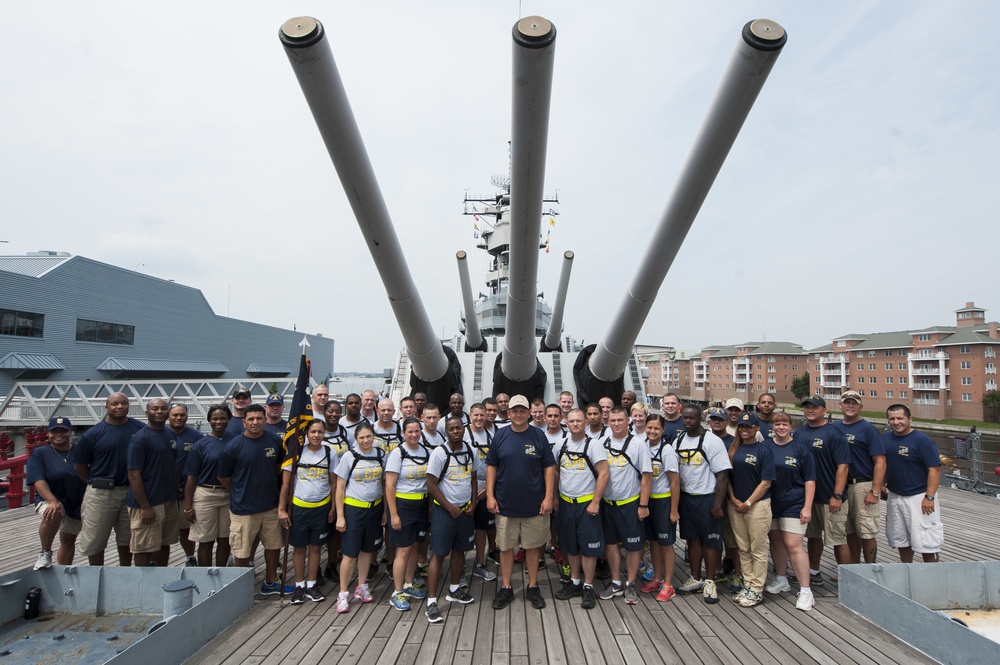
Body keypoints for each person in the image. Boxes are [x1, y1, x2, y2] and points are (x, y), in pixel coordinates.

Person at [486, 394, 556, 611]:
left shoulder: (538, 436)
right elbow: (491, 466)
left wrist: (548, 497)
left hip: (534, 505)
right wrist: (489, 495)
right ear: (508, 413)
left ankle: (533, 586)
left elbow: (549, 467)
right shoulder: (500, 436)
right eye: (514, 411)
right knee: (505, 547)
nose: (518, 414)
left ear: (529, 413)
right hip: (505, 504)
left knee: (533, 548)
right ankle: (506, 587)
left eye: (522, 410)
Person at [217, 404, 290, 595]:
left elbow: (279, 467)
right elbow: (224, 477)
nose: (255, 422)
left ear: (265, 420)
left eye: (259, 418)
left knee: (274, 546)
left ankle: (271, 581)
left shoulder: (274, 440)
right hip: (243, 509)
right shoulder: (232, 447)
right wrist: (240, 489)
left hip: (270, 506)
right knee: (242, 551)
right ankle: (241, 588)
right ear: (244, 422)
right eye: (251, 419)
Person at [73, 392, 143, 566]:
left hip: (131, 492)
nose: (120, 407)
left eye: (124, 403)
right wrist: (93, 483)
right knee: (95, 539)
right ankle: (96, 574)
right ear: (106, 407)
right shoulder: (93, 434)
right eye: (115, 404)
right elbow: (80, 466)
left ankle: (124, 572)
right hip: (101, 493)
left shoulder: (140, 429)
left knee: (127, 539)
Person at [423, 416, 478, 623]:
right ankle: (431, 601)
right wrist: (449, 507)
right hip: (445, 512)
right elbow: (431, 484)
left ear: (464, 429)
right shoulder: (439, 453)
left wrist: (473, 503)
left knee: (460, 550)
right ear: (446, 432)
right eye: (451, 429)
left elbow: (472, 477)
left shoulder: (470, 450)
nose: (455, 431)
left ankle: (454, 588)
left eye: (458, 428)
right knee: (438, 554)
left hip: (464, 511)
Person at [675, 405, 732, 604]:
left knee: (711, 541)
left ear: (700, 419)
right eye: (685, 418)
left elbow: (723, 475)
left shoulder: (713, 442)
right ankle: (695, 578)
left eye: (692, 418)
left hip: (707, 497)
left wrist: (718, 504)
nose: (688, 421)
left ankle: (710, 580)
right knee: (692, 540)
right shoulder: (679, 440)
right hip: (686, 497)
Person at [553, 408, 609, 610]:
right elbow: (556, 471)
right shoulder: (561, 444)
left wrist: (595, 501)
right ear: (565, 422)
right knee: (571, 546)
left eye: (579, 421)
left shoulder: (594, 446)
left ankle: (587, 585)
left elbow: (603, 473)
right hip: (567, 503)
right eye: (571, 421)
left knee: (589, 547)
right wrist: (554, 496)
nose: (575, 424)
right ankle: (575, 582)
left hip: (587, 503)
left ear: (586, 422)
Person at [596, 407, 651, 604]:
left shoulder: (638, 445)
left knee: (633, 546)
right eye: (613, 420)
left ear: (628, 421)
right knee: (611, 544)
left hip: (630, 503)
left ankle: (630, 584)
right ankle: (616, 581)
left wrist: (643, 505)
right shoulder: (602, 442)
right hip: (608, 503)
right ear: (608, 421)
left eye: (620, 420)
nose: (616, 424)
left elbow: (646, 477)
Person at [793, 396, 850, 587]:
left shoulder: (834, 433)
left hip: (830, 497)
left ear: (824, 411)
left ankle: (847, 577)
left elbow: (843, 467)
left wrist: (837, 495)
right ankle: (814, 571)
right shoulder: (799, 433)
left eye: (814, 407)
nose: (810, 410)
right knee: (813, 536)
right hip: (809, 498)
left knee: (837, 539)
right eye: (807, 407)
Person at [278, 419, 336, 604]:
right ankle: (298, 585)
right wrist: (281, 509)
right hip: (299, 508)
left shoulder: (329, 453)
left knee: (316, 547)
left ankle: (312, 584)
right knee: (299, 548)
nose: (317, 435)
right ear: (306, 434)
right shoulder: (296, 453)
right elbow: (286, 484)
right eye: (313, 432)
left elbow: (334, 483)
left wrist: (334, 508)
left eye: (320, 432)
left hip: (321, 507)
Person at [763, 410, 816, 611]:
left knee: (793, 544)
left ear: (790, 426)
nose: (781, 427)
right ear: (772, 427)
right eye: (777, 424)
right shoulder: (765, 447)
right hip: (770, 502)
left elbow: (810, 479)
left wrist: (807, 507)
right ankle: (781, 578)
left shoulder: (801, 449)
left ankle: (805, 590)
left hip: (794, 502)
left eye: (784, 424)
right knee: (776, 540)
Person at [333, 422, 385, 613]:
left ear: (374, 436)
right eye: (361, 437)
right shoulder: (349, 456)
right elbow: (339, 487)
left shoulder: (380, 455)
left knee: (367, 550)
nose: (365, 440)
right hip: (354, 508)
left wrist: (385, 511)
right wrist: (340, 516)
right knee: (350, 553)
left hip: (375, 508)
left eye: (368, 436)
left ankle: (361, 586)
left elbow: (384, 483)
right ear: (356, 439)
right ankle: (343, 593)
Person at [725, 413, 775, 608]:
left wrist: (747, 503)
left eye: (748, 426)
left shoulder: (764, 450)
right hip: (735, 504)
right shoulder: (734, 448)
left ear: (757, 428)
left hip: (757, 505)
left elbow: (766, 482)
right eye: (741, 426)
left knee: (758, 549)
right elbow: (727, 476)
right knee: (743, 548)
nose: (744, 429)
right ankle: (747, 583)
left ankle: (757, 588)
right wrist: (733, 498)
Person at [882, 405, 943, 563]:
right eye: (892, 419)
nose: (896, 422)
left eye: (900, 418)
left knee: (926, 541)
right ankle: (906, 570)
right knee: (901, 539)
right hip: (895, 495)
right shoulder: (886, 439)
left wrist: (929, 497)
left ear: (909, 419)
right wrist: (881, 485)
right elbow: (882, 464)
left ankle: (932, 575)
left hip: (919, 496)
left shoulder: (922, 441)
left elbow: (934, 470)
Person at [833, 390, 886, 564]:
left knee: (867, 530)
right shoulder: (834, 427)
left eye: (854, 403)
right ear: (840, 405)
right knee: (847, 531)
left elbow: (880, 461)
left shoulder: (868, 429)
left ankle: (871, 567)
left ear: (861, 407)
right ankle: (853, 568)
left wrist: (875, 490)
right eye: (847, 402)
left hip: (862, 485)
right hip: (841, 486)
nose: (850, 406)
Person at [126, 398, 180, 567]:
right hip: (148, 502)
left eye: (163, 408)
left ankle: (162, 577)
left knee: (164, 543)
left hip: (168, 499)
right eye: (154, 408)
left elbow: (173, 465)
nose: (159, 411)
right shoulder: (140, 439)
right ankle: (143, 585)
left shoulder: (169, 434)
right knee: (143, 546)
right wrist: (145, 506)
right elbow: (133, 475)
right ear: (146, 413)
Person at [385, 417, 431, 611]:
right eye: (410, 432)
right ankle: (397, 592)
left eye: (417, 432)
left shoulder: (426, 452)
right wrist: (393, 514)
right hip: (403, 505)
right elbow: (389, 485)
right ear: (403, 433)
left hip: (421, 504)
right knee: (402, 549)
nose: (414, 435)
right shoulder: (398, 453)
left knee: (414, 547)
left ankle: (409, 583)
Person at [28, 417, 85, 570]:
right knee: (53, 512)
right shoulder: (40, 453)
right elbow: (38, 480)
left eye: (63, 431)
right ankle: (45, 552)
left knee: (68, 539)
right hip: (50, 497)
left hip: (76, 500)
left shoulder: (80, 450)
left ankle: (64, 570)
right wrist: (52, 501)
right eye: (54, 431)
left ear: (70, 433)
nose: (59, 434)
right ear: (48, 434)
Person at [183, 404, 233, 566]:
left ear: (229, 419)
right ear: (209, 421)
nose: (219, 421)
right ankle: (205, 575)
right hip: (205, 495)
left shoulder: (235, 441)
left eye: (223, 418)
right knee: (206, 540)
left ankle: (221, 573)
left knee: (225, 539)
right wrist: (188, 506)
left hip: (228, 495)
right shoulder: (201, 444)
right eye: (215, 418)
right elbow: (191, 477)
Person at [640, 414, 680, 602]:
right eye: (649, 428)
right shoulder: (643, 446)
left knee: (666, 544)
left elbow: (675, 482)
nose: (652, 431)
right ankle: (657, 578)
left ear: (663, 430)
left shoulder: (667, 450)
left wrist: (673, 510)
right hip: (648, 501)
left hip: (663, 500)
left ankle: (668, 584)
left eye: (656, 428)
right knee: (653, 542)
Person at [465, 403, 498, 581]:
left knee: (482, 528)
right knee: (462, 528)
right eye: (476, 414)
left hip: (485, 488)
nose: (479, 418)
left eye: (482, 415)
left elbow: (496, 463)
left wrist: (488, 488)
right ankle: (460, 565)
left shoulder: (491, 436)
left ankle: (479, 564)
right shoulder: (462, 434)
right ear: (470, 415)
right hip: (465, 488)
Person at [168, 403, 202, 567]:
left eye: (182, 415)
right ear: (169, 416)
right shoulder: (161, 434)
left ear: (187, 417)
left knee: (185, 527)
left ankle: (190, 557)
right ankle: (155, 561)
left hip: (187, 490)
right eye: (175, 415)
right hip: (163, 492)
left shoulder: (196, 437)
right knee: (161, 528)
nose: (178, 418)